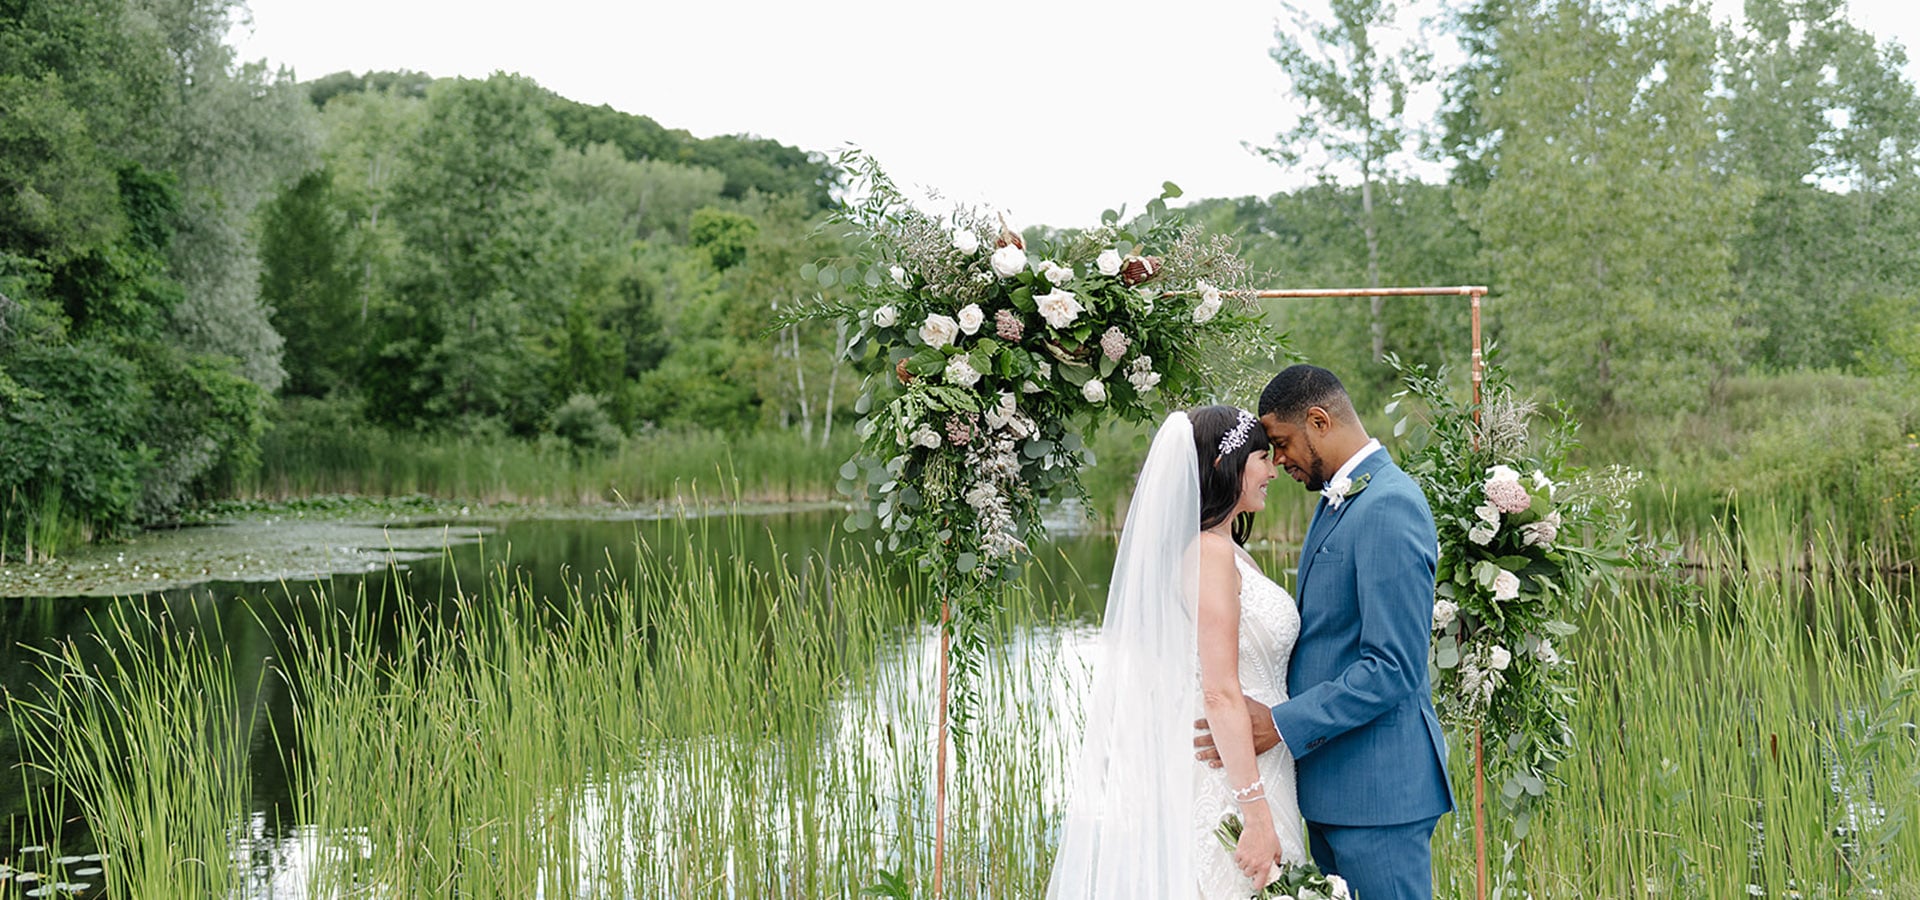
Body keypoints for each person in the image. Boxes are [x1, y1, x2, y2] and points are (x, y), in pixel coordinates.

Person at [1195, 364, 1454, 899]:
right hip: (1327, 787)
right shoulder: (1336, 501)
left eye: (1282, 443)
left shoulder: (1390, 506)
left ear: (1318, 421)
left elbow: (1393, 668)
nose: (1279, 460)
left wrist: (1281, 723)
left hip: (1379, 795)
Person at [1046, 406, 1308, 899]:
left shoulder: (1229, 552)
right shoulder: (1208, 555)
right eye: (1261, 458)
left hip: (1263, 768)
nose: (1273, 471)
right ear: (1223, 466)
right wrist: (1253, 815)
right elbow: (1220, 692)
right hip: (1234, 783)